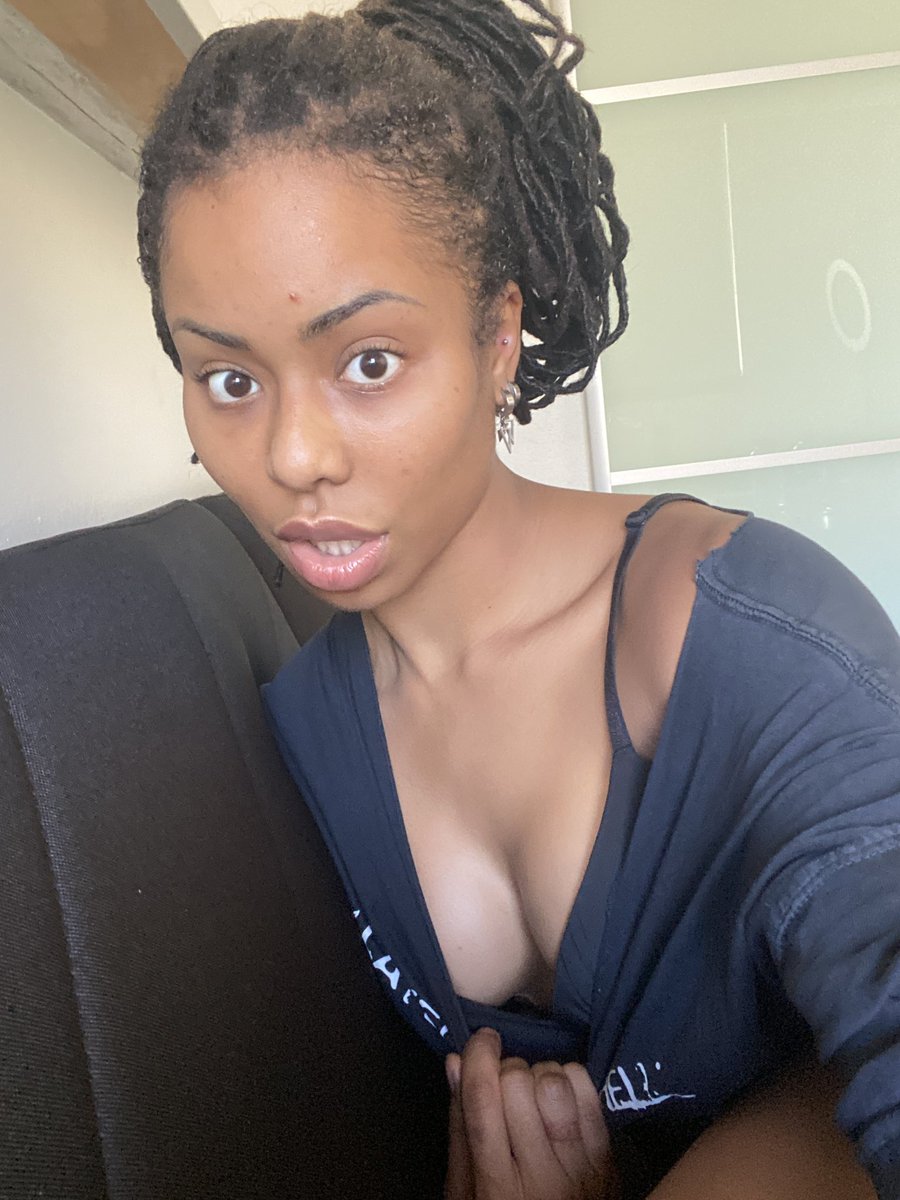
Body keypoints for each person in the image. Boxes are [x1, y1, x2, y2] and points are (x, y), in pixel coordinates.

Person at [136, 2, 898, 1195]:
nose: (292, 456)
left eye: (369, 361)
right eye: (228, 378)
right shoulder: (303, 729)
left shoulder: (751, 640)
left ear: (498, 336)